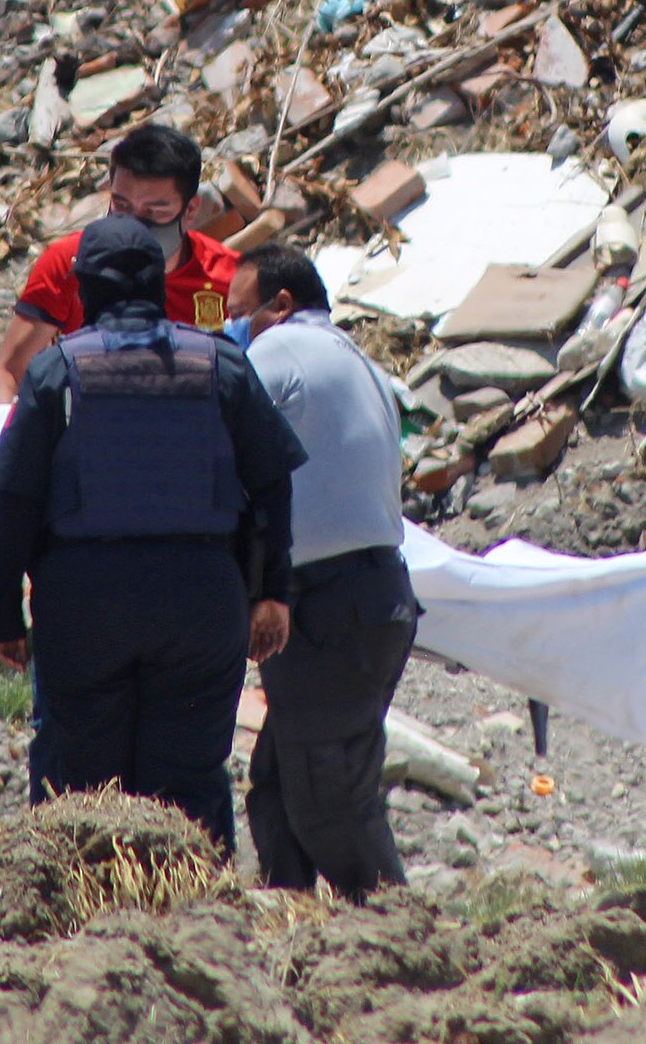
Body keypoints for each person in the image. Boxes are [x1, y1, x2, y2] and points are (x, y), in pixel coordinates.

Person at [0, 215, 305, 851]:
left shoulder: (54, 374)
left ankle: (79, 924)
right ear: (162, 284)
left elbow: (14, 504)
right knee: (188, 782)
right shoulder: (222, 363)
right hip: (201, 600)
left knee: (76, 789)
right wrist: (273, 592)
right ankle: (193, 924)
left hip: (84, 602)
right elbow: (272, 484)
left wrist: (3, 618)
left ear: (84, 288)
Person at [226, 243, 418, 896]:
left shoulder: (278, 350)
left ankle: (404, 939)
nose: (232, 330)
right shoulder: (355, 360)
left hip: (329, 606)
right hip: (369, 601)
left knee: (328, 801)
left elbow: (218, 438)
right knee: (278, 788)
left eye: (239, 313)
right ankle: (294, 929)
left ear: (281, 306)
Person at [0, 124, 235, 405]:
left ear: (190, 210)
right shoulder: (70, 263)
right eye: (122, 205)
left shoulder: (227, 277)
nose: (133, 225)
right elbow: (6, 372)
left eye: (154, 211)